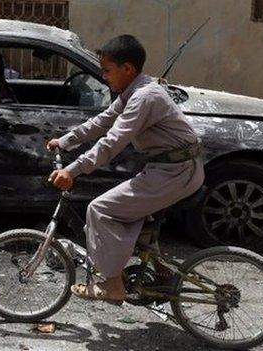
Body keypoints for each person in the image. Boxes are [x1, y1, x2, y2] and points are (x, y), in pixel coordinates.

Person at [46, 35, 204, 305]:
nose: (104, 77)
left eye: (107, 71)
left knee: (100, 209)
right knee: (137, 219)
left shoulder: (145, 97)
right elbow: (102, 122)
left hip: (176, 172)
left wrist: (72, 171)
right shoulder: (133, 91)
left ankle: (112, 285)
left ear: (127, 69)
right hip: (170, 169)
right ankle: (165, 274)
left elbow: (112, 142)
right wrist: (65, 140)